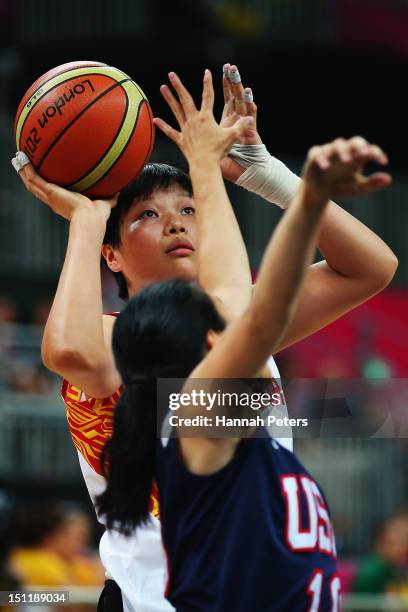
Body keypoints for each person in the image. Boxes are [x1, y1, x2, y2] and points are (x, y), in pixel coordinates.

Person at [12, 63, 397, 611]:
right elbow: (70, 351)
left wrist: (264, 174)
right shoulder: (119, 335)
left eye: (188, 208)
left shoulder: (237, 321)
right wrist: (84, 223)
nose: (176, 222)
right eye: (148, 213)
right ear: (112, 255)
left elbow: (371, 267)